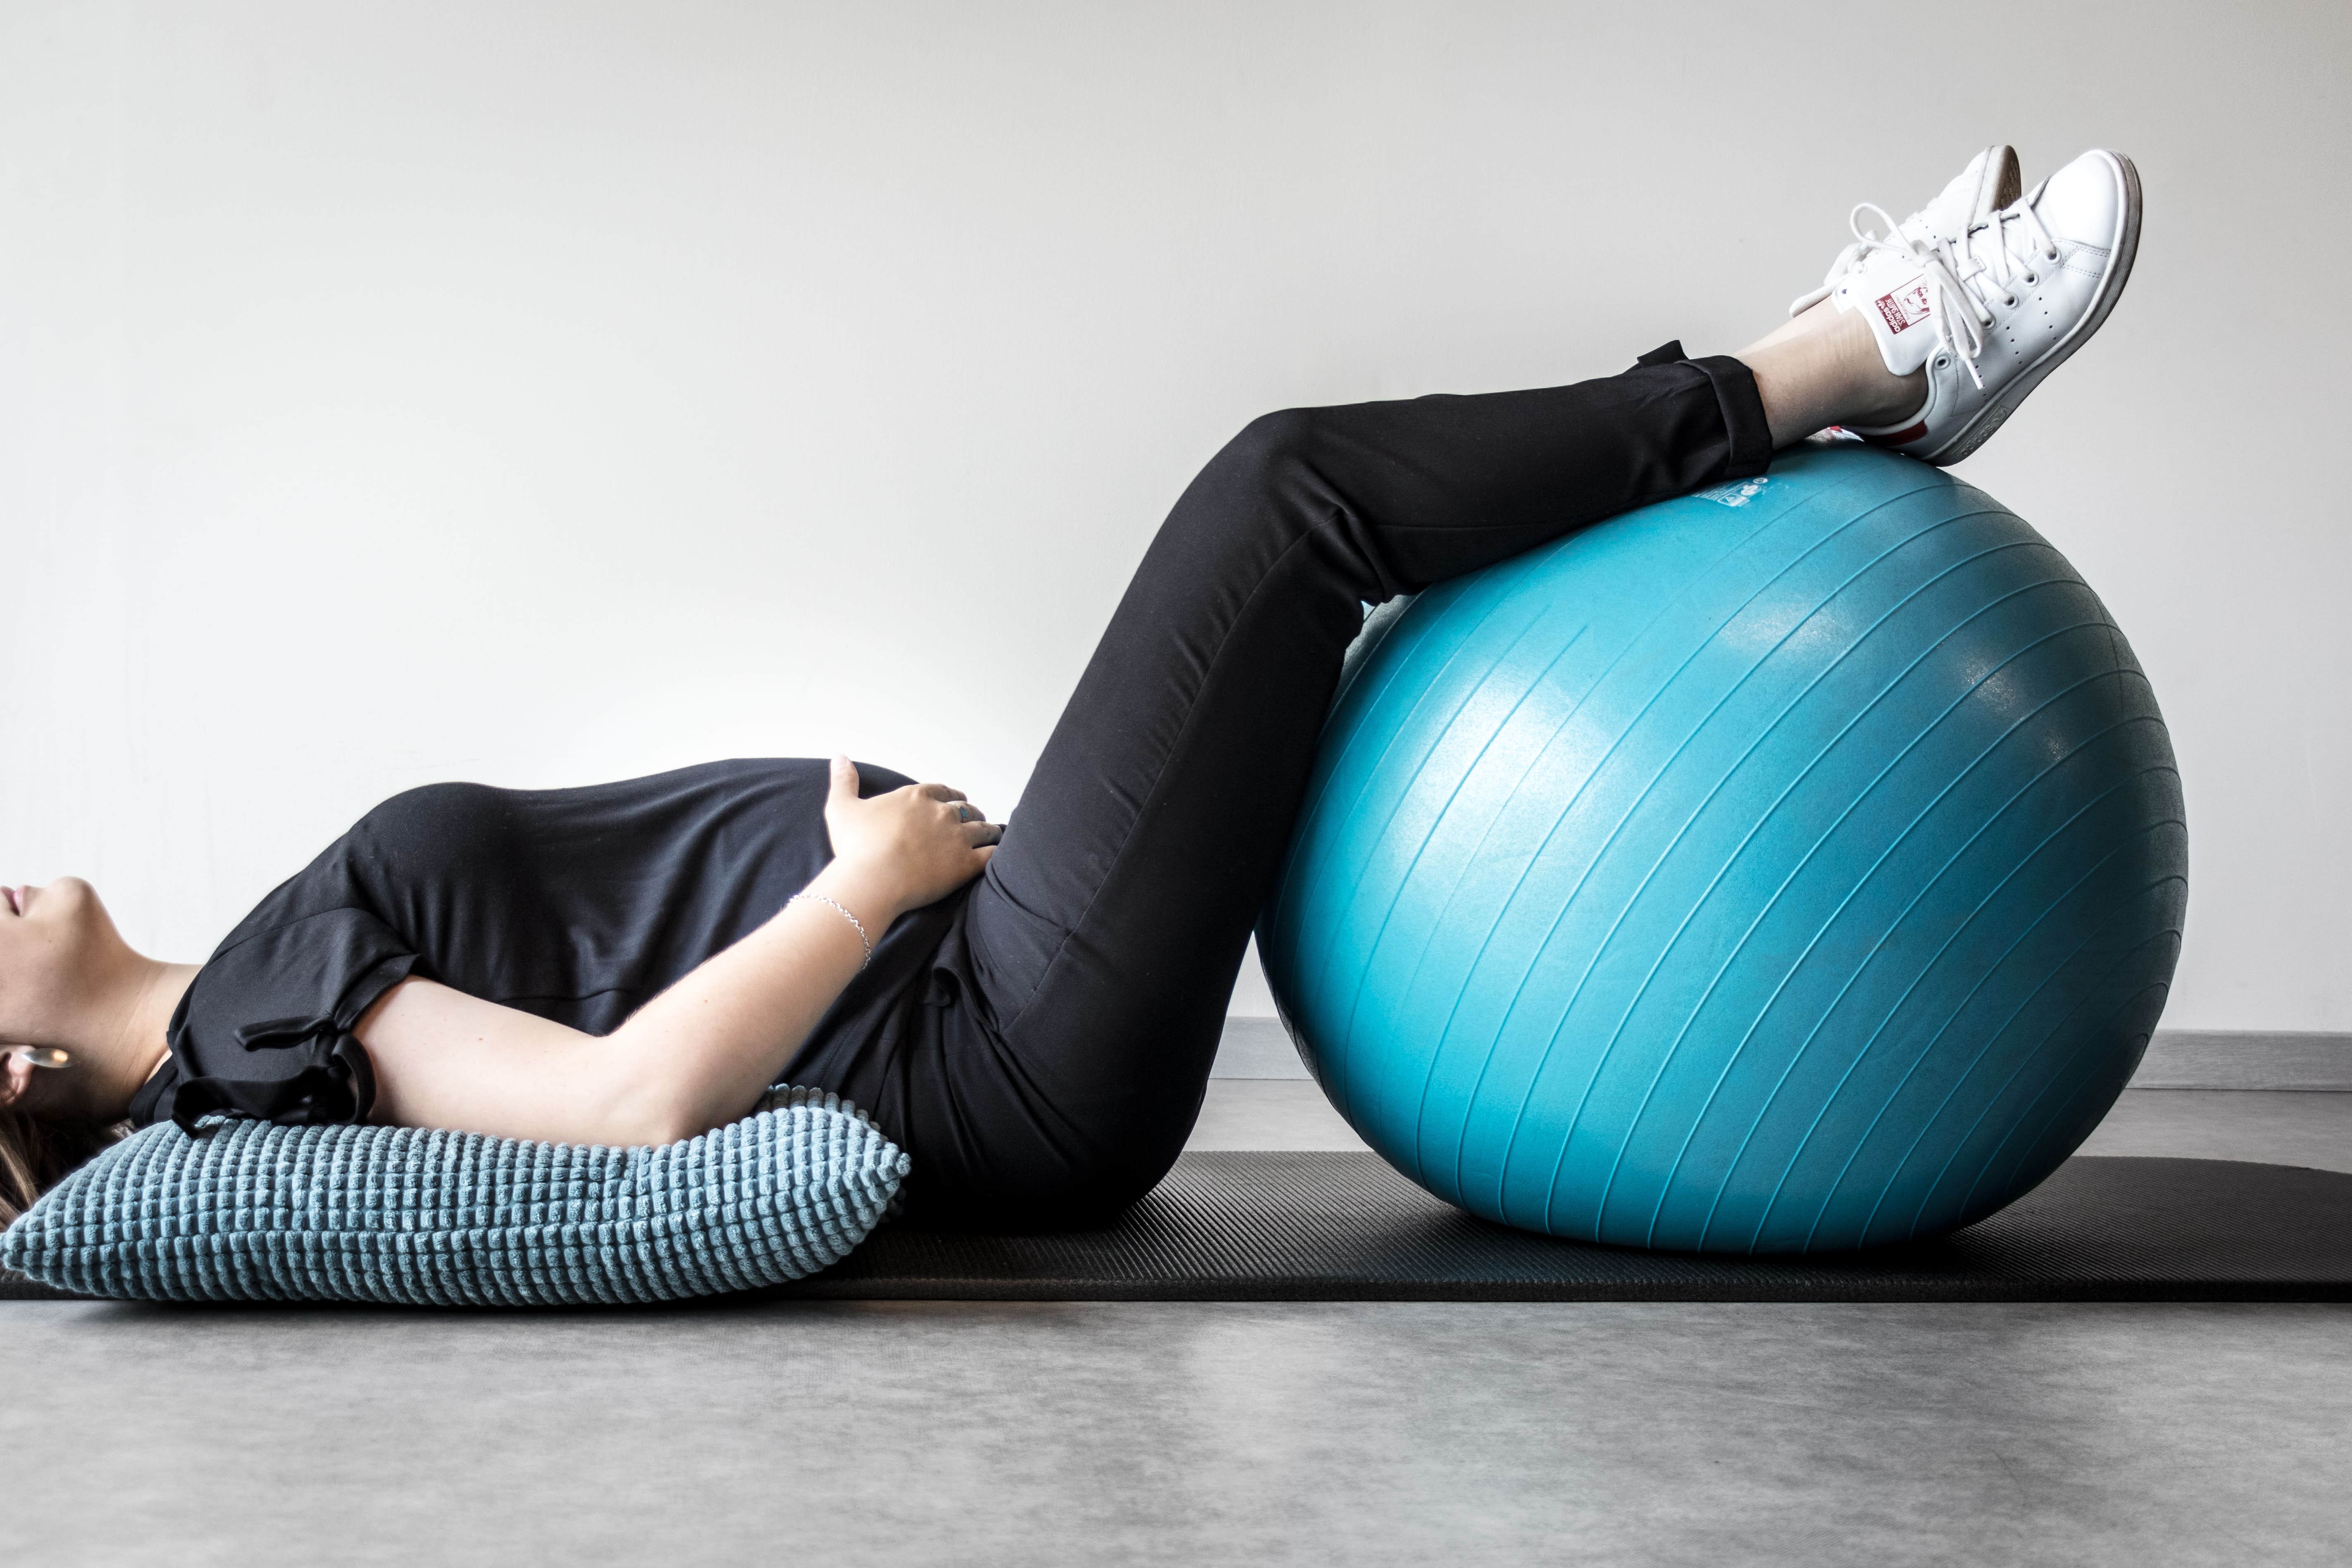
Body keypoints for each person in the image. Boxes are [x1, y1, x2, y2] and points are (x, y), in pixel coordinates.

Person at [0, 147, 2140, 1230]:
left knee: (1286, 520)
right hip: (984, 1057)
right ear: (9, 1077)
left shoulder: (254, 993)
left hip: (974, 1003)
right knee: (1285, 504)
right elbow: (617, 1117)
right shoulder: (252, 1016)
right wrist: (861, 882)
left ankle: (1805, 365)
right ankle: (1869, 358)